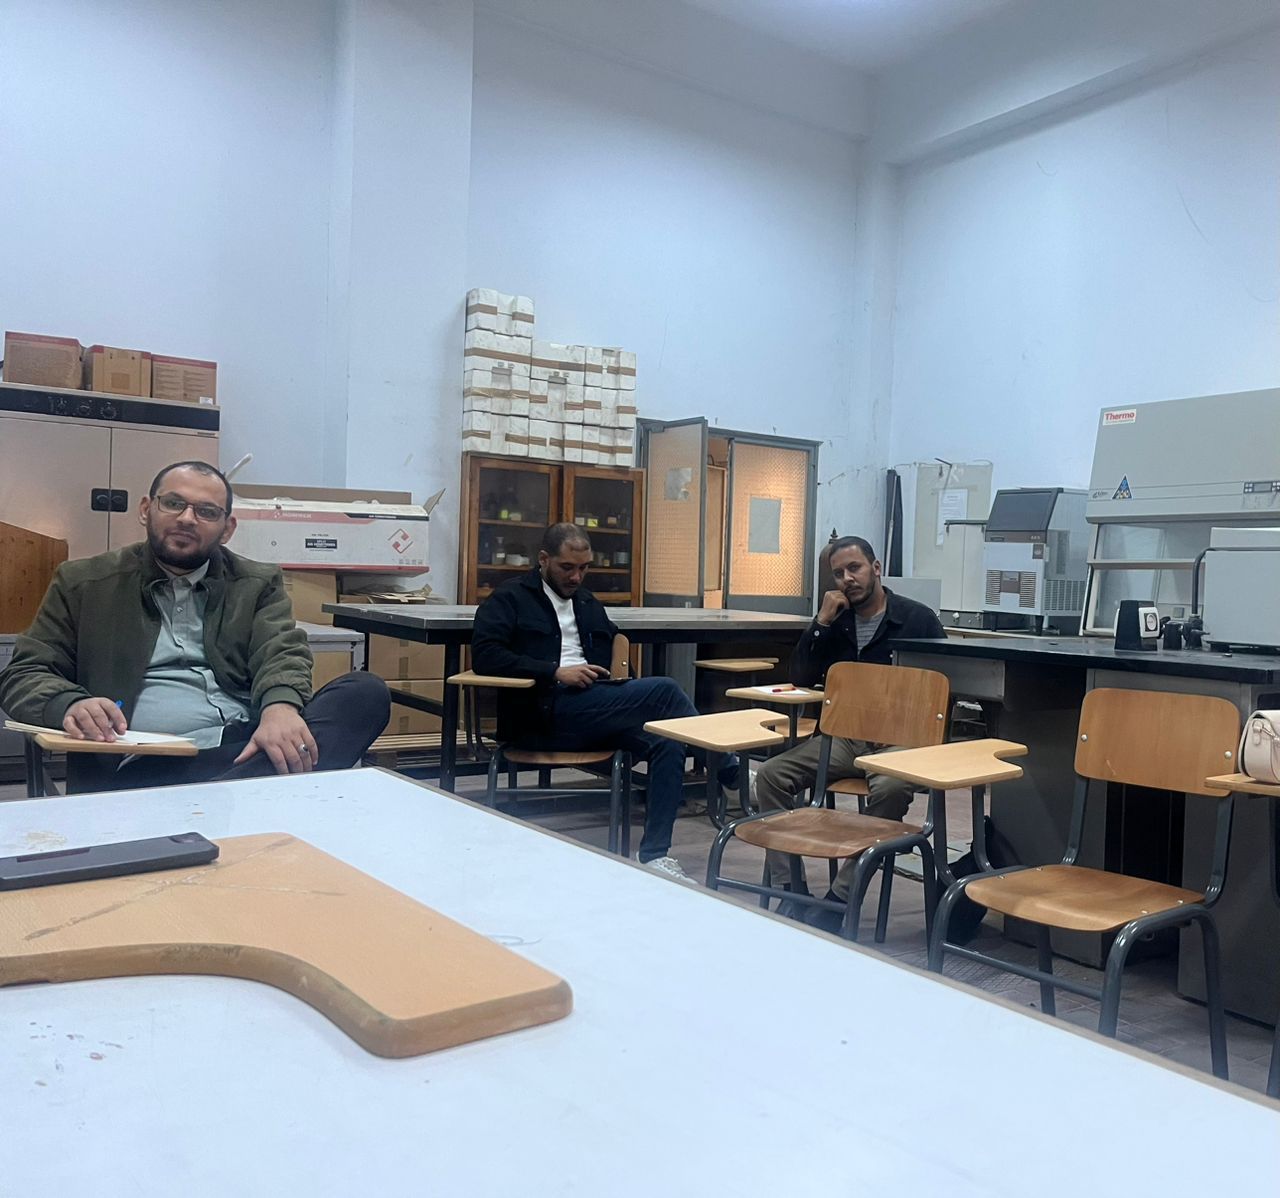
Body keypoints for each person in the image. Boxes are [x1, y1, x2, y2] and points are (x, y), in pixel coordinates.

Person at [0, 460, 390, 793]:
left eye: (206, 511)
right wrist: (70, 704)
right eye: (173, 503)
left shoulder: (256, 582)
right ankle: (256, 794)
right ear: (146, 510)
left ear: (227, 528)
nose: (187, 519)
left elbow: (281, 651)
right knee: (286, 769)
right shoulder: (84, 582)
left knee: (364, 693)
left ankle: (222, 796)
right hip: (140, 760)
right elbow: (24, 674)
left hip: (242, 746)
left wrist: (280, 708)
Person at [471, 522, 734, 882]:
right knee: (665, 691)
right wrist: (553, 671)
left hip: (592, 708)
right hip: (542, 714)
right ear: (543, 559)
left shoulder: (587, 602)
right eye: (567, 567)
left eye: (584, 568)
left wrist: (623, 689)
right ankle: (729, 771)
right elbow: (485, 656)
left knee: (668, 741)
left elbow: (616, 654)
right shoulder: (510, 598)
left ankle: (655, 856)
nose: (576, 577)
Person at [752, 535, 944, 927]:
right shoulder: (836, 620)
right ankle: (791, 889)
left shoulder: (918, 619)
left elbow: (943, 688)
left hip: (899, 743)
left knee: (890, 788)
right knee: (770, 776)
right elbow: (800, 677)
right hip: (844, 739)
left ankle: (839, 898)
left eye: (854, 568)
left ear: (876, 568)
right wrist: (821, 622)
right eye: (838, 573)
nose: (847, 579)